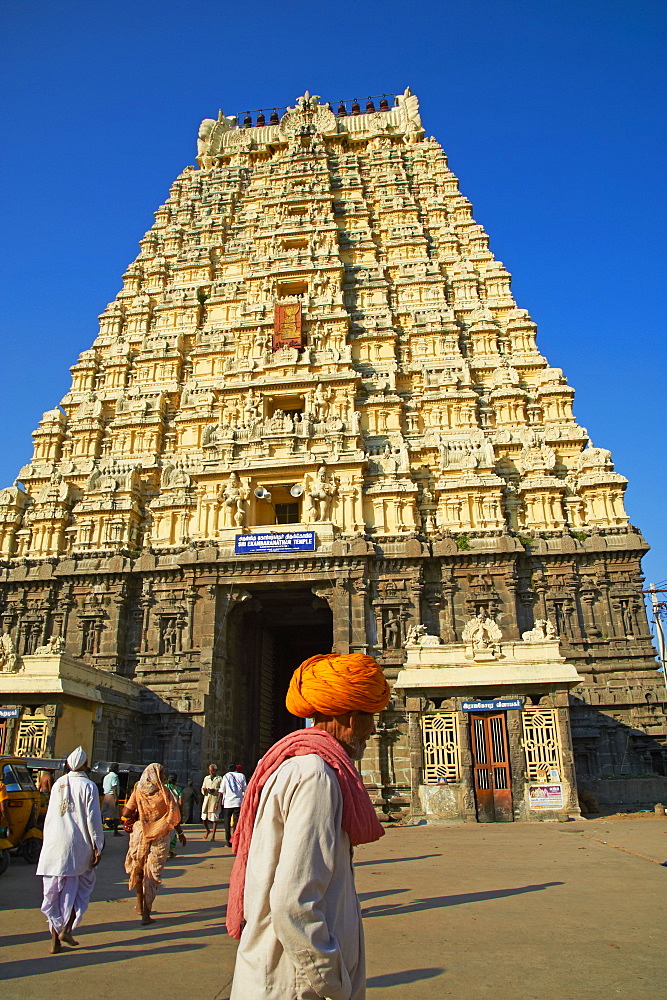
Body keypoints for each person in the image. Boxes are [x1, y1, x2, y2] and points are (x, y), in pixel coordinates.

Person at [227, 652, 391, 1000]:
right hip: (298, 984)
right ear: (348, 717)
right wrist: (334, 983)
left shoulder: (299, 766)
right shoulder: (315, 775)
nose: (374, 729)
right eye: (370, 717)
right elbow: (293, 902)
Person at [36, 746, 104, 954]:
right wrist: (97, 845)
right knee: (76, 891)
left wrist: (46, 841)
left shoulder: (58, 784)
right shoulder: (89, 785)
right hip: (77, 846)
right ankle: (66, 929)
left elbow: (50, 817)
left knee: (54, 894)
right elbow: (93, 820)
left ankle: (54, 940)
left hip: (54, 846)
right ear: (84, 765)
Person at [122, 763, 186, 925]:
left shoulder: (139, 791)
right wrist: (180, 833)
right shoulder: (164, 793)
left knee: (139, 868)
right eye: (163, 773)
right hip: (160, 835)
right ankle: (146, 913)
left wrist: (140, 812)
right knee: (153, 873)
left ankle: (139, 904)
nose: (164, 776)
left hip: (141, 833)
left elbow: (125, 813)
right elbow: (174, 814)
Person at [217, 763, 247, 847]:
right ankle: (236, 839)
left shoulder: (226, 776)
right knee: (237, 822)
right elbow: (245, 789)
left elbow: (221, 790)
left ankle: (228, 841)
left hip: (228, 803)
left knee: (227, 822)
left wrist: (217, 802)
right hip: (238, 801)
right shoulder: (242, 776)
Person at [201, 763, 222, 840]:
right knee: (204, 817)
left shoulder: (220, 779)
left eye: (212, 771)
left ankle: (213, 834)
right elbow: (203, 787)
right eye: (210, 770)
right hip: (207, 799)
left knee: (214, 818)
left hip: (214, 799)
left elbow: (221, 790)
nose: (211, 772)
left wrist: (215, 791)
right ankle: (207, 830)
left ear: (215, 771)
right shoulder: (206, 778)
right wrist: (205, 790)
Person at [101, 763, 121, 836]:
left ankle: (100, 827)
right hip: (112, 795)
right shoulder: (114, 776)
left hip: (106, 795)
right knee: (116, 815)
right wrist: (116, 798)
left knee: (104, 813)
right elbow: (114, 787)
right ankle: (116, 831)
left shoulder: (106, 776)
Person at [165, 772, 181, 858]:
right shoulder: (178, 789)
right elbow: (180, 802)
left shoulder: (164, 788)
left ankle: (165, 849)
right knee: (174, 832)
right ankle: (170, 851)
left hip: (165, 812)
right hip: (174, 812)